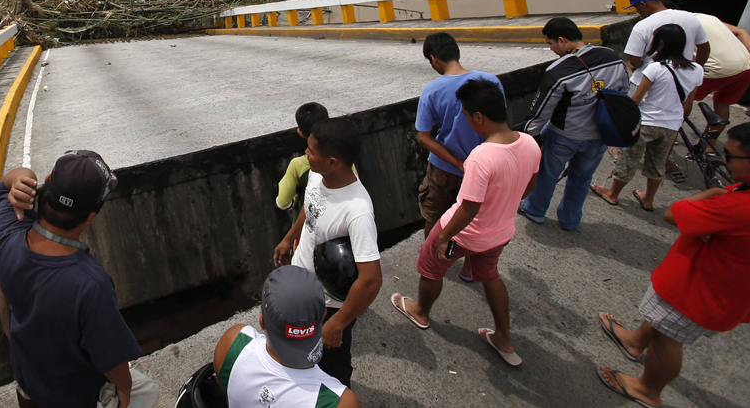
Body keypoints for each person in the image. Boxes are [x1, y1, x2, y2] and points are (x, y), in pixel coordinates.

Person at [595, 121, 750, 408]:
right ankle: (635, 341)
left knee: (668, 337)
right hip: (729, 289)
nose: (723, 162)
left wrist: (713, 195)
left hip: (696, 291)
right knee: (662, 320)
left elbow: (674, 214)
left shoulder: (743, 208)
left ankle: (647, 389)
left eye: (730, 157)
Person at [0, 151, 159, 408]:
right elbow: (111, 360)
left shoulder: (5, 231)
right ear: (90, 217)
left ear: (45, 182)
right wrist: (123, 386)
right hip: (75, 398)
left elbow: (3, 184)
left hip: (30, 388)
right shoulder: (90, 284)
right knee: (148, 392)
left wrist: (22, 180)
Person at [392, 79, 540, 367]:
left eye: (465, 114)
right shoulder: (530, 143)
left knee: (431, 268)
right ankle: (504, 339)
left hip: (462, 234)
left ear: (479, 117)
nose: (465, 120)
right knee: (491, 276)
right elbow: (530, 185)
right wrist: (505, 204)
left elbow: (469, 207)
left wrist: (445, 236)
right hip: (499, 233)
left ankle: (421, 311)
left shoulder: (481, 157)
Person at [273, 118, 382, 387]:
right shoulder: (318, 175)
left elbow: (371, 280)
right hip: (301, 284)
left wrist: (339, 323)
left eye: (311, 151)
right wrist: (290, 238)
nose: (306, 155)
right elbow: (311, 206)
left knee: (332, 366)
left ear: (333, 162)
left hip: (328, 307)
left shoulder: (357, 211)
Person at [520, 17, 630, 230]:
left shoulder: (559, 71)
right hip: (600, 135)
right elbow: (624, 93)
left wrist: (529, 136)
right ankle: (570, 220)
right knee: (582, 178)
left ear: (562, 40)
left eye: (550, 43)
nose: (551, 49)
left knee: (547, 175)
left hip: (564, 134)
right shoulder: (613, 58)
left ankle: (535, 210)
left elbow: (541, 112)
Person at [415, 32, 503, 280]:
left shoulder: (432, 90)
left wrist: (457, 163)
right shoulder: (490, 82)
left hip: (445, 168)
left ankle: (433, 259)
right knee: (475, 218)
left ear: (434, 59)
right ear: (457, 53)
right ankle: (468, 268)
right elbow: (500, 125)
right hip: (484, 167)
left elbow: (423, 137)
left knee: (435, 215)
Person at [213, 266, 360, 407]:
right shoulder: (339, 402)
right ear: (324, 317)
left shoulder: (233, 344)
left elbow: (223, 386)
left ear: (262, 321)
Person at [594, 25, 704, 211]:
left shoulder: (656, 68)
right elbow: (688, 102)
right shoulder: (697, 70)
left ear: (660, 44)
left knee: (628, 160)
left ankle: (612, 194)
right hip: (671, 125)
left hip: (646, 122)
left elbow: (636, 99)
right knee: (657, 163)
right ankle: (648, 199)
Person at [623, 0, 710, 86]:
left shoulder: (641, 26)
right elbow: (704, 47)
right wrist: (697, 67)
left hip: (648, 82)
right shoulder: (690, 18)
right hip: (682, 81)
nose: (637, 11)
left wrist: (638, 64)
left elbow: (635, 61)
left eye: (636, 7)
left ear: (643, 4)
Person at [689, 12, 750, 123]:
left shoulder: (680, 23)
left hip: (721, 68)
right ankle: (710, 140)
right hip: (747, 65)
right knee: (722, 103)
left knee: (681, 99)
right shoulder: (706, 17)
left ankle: (671, 138)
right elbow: (741, 31)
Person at [276, 102, 330, 217]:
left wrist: (295, 199)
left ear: (300, 132)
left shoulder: (298, 164)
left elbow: (283, 203)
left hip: (308, 227)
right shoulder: (343, 157)